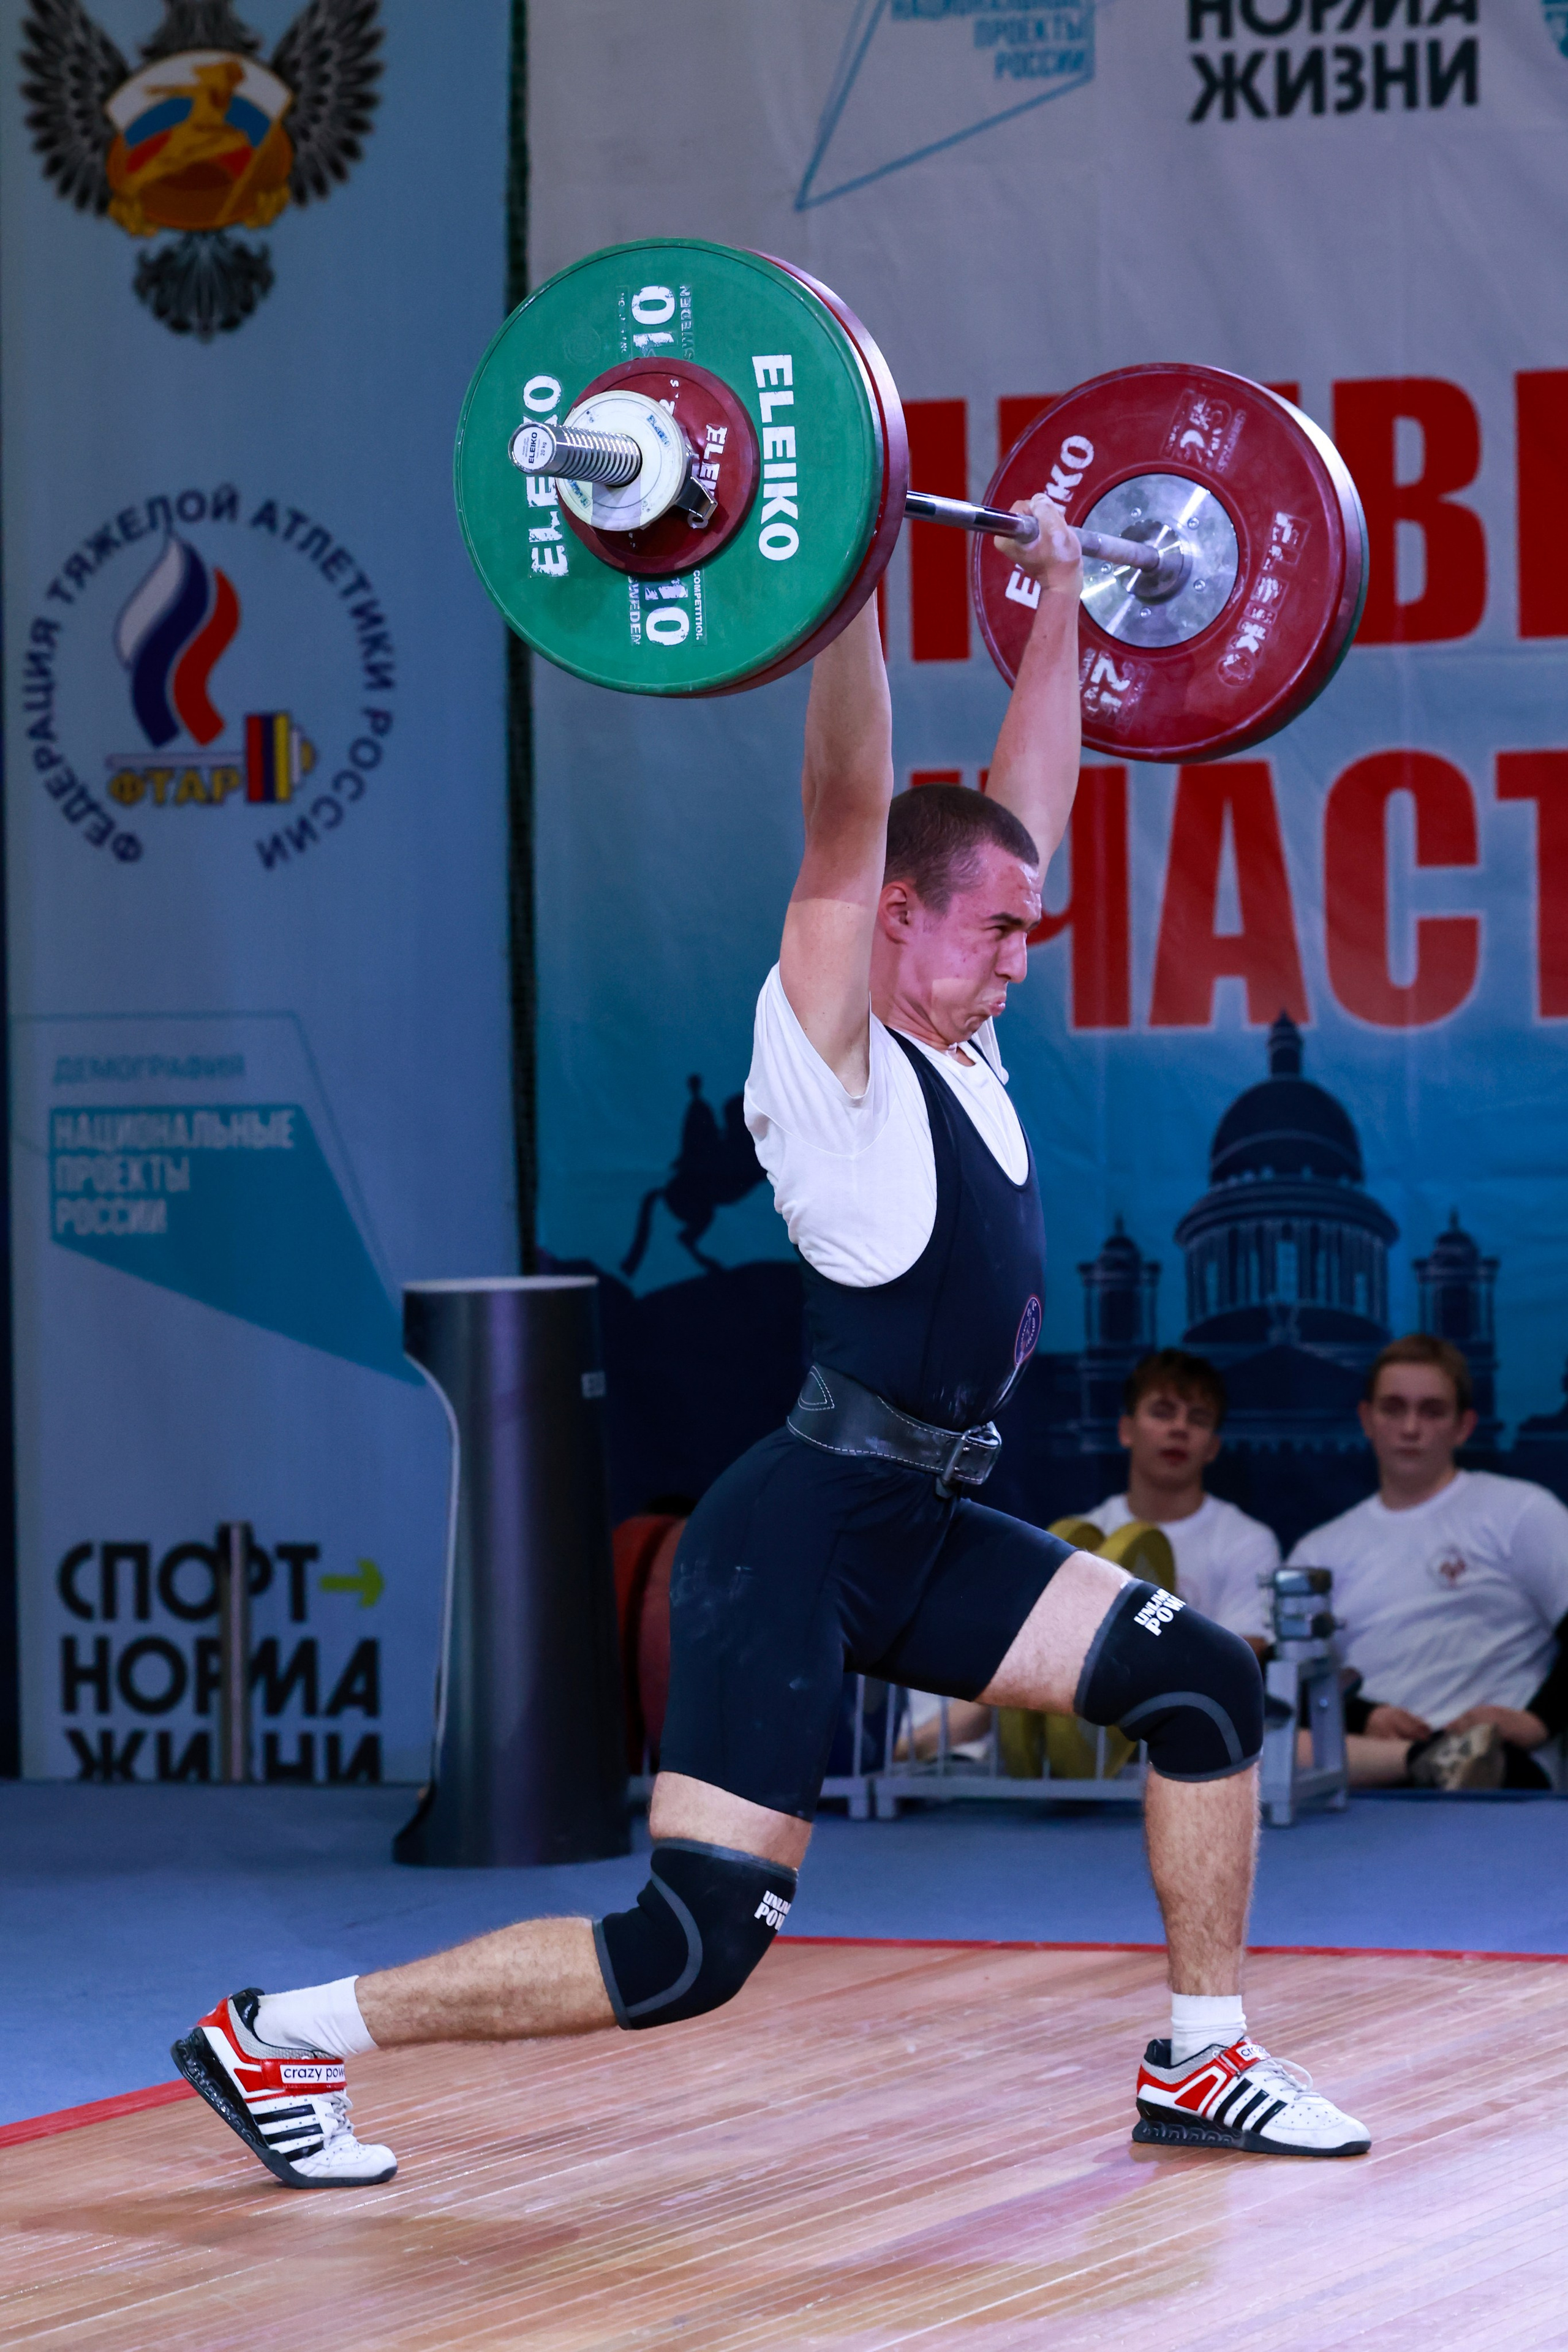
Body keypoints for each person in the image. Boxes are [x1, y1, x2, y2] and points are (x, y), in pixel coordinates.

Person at [173, 496, 1368, 2191]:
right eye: (996, 932)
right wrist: (845, 587)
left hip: (925, 1522)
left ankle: (1204, 2056)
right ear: (893, 915)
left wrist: (1054, 606)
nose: (1023, 962)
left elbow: (1031, 801)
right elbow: (843, 812)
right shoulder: (832, 1045)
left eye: (1030, 933)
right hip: (796, 1540)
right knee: (690, 1950)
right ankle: (279, 2034)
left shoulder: (958, 1026)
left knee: (1204, 1683)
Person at [1290, 1334, 1568, 1792]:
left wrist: (1538, 1722)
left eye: (1432, 1411)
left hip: (1497, 1774)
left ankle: (1449, 1761)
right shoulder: (1319, 1551)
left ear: (1463, 1426)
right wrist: (1368, 1716)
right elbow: (1292, 1682)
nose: (1411, 1428)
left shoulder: (1521, 1513)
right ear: (1367, 1419)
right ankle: (1423, 1760)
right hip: (1369, 1774)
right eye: (1394, 1409)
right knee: (1251, 1740)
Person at [1088, 1349, 1278, 1654]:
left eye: (1198, 1419)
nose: (1179, 1428)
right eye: (1162, 1413)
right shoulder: (1086, 1537)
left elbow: (1239, 1657)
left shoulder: (1249, 1542)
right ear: (1126, 1431)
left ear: (1212, 1447)